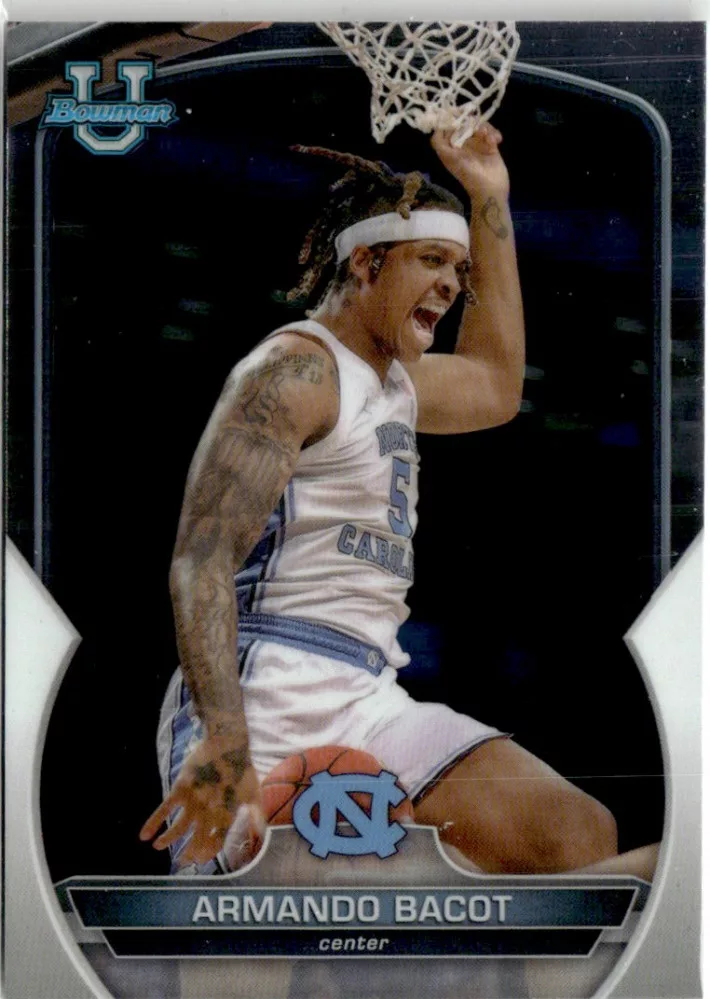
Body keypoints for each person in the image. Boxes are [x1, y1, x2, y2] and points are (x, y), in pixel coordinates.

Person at [140, 124, 618, 876]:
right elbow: (200, 562)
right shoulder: (295, 372)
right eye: (431, 260)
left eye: (459, 268)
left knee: (574, 834)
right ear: (366, 262)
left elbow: (496, 385)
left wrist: (489, 196)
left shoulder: (395, 382)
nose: (452, 284)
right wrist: (224, 738)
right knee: (263, 937)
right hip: (267, 683)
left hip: (369, 690)